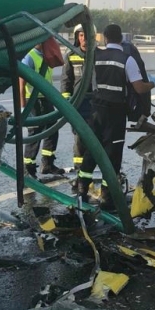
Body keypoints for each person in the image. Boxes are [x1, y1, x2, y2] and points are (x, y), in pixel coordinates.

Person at [82, 23, 155, 208]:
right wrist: (152, 84)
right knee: (113, 153)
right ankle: (107, 197)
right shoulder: (127, 59)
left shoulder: (96, 56)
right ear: (121, 39)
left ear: (105, 38)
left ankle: (81, 190)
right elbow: (139, 88)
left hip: (96, 110)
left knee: (92, 150)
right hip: (115, 113)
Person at [19, 44, 65, 178]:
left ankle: (47, 164)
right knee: (34, 133)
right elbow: (21, 81)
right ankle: (28, 169)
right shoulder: (30, 57)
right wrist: (23, 106)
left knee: (52, 130)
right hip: (33, 100)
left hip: (45, 98)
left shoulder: (46, 55)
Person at [61, 24, 95, 190]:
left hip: (94, 103)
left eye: (86, 35)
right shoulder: (71, 55)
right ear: (77, 37)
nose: (84, 39)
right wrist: (66, 102)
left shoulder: (97, 55)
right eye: (81, 36)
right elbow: (66, 81)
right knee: (79, 139)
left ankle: (91, 170)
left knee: (95, 137)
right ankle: (79, 171)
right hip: (78, 104)